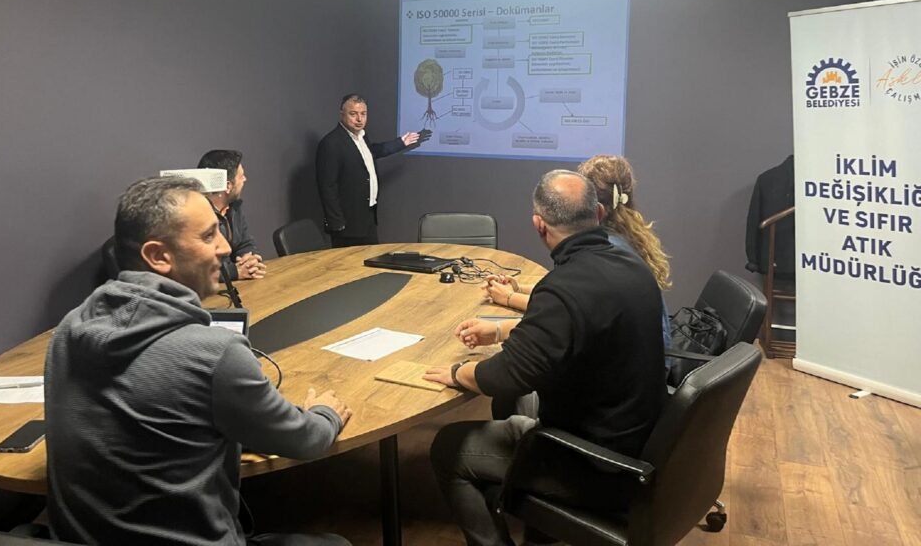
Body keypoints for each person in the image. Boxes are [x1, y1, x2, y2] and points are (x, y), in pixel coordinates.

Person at [45, 176, 352, 546]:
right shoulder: (215, 353)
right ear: (159, 256)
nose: (225, 247)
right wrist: (325, 413)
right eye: (208, 236)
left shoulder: (68, 331)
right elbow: (305, 441)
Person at [424, 170, 666, 546]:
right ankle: (534, 518)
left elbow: (504, 376)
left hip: (597, 464)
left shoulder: (564, 287)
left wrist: (458, 372)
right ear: (599, 214)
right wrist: (501, 331)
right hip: (638, 438)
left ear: (539, 225)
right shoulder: (630, 264)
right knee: (518, 401)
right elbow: (573, 331)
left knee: (447, 446)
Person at [482, 154, 673, 352]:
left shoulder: (604, 250)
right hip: (648, 349)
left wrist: (509, 298)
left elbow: (566, 309)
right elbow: (578, 297)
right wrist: (518, 288)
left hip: (642, 356)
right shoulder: (626, 234)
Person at [315, 93, 419, 247]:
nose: (359, 119)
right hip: (346, 224)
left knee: (371, 259)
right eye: (353, 114)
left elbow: (372, 152)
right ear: (342, 114)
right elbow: (327, 187)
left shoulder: (361, 137)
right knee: (350, 261)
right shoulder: (331, 144)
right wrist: (336, 223)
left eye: (363, 114)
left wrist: (401, 142)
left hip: (367, 217)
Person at [198, 149, 266, 281]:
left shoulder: (234, 208)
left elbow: (245, 243)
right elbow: (197, 269)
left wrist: (250, 259)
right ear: (228, 186)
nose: (245, 179)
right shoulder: (197, 216)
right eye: (241, 176)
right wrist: (235, 272)